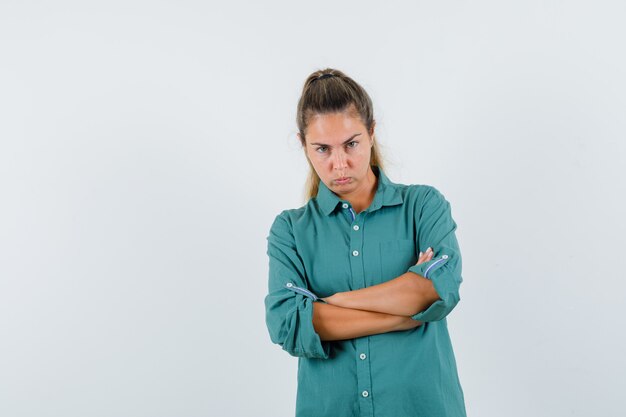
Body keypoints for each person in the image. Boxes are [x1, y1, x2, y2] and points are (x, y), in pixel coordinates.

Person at [264, 68, 467, 417]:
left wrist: (333, 304)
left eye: (351, 144)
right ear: (303, 146)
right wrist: (404, 315)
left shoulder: (423, 207)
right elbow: (290, 324)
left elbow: (436, 290)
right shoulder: (290, 231)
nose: (339, 163)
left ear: (372, 133)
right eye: (322, 149)